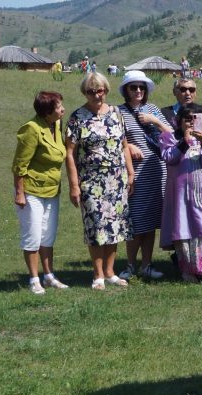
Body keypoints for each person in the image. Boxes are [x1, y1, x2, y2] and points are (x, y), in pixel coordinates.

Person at [65, 73, 134, 290]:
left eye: (100, 90)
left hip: (117, 178)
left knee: (115, 225)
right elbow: (69, 153)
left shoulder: (116, 113)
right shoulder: (77, 117)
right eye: (91, 91)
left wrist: (130, 173)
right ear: (84, 93)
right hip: (91, 180)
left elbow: (124, 145)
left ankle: (110, 271)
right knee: (95, 226)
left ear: (106, 90)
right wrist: (74, 185)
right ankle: (97, 275)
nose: (96, 95)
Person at [160, 103, 202, 281]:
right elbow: (169, 157)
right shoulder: (169, 137)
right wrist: (184, 141)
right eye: (187, 119)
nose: (192, 123)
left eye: (196, 118)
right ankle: (191, 270)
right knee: (186, 227)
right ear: (179, 121)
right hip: (183, 195)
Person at [12, 91, 68, 294]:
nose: (63, 109)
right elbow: (20, 165)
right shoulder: (31, 129)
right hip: (31, 191)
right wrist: (20, 193)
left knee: (48, 235)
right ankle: (34, 279)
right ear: (47, 112)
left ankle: (49, 275)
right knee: (33, 236)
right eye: (58, 107)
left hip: (52, 190)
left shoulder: (58, 125)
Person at [117, 70, 171, 281]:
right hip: (136, 173)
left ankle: (147, 265)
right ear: (126, 90)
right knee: (136, 221)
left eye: (142, 87)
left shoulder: (153, 109)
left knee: (150, 221)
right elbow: (114, 139)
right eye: (133, 87)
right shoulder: (119, 112)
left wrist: (154, 121)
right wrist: (127, 145)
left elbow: (171, 136)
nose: (138, 90)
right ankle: (130, 265)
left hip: (157, 170)